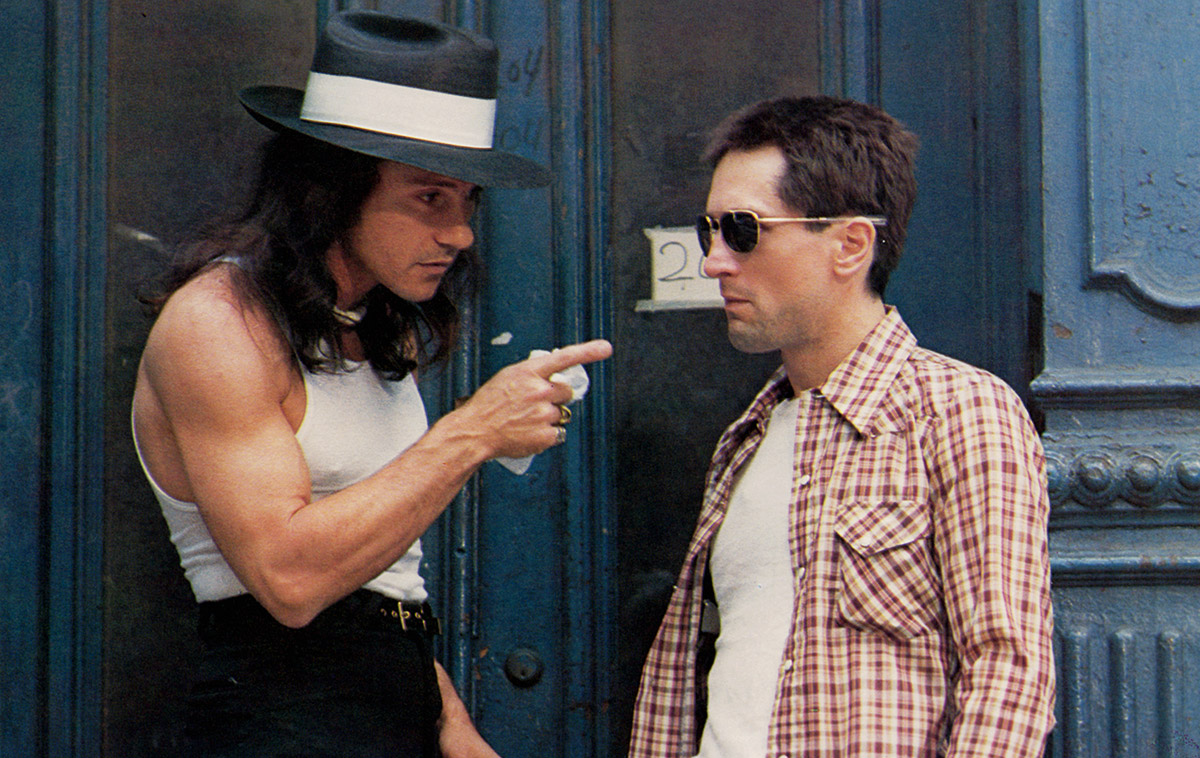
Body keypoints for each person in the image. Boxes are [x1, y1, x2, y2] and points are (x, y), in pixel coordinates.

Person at [131, 11, 611, 757]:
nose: (460, 233)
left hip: (390, 703)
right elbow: (289, 581)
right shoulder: (219, 323)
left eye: (468, 201)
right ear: (333, 188)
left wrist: (447, 718)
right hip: (284, 714)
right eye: (430, 198)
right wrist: (472, 432)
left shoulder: (363, 322)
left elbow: (378, 582)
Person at [626, 95, 1055, 757]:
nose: (714, 261)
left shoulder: (959, 412)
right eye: (707, 230)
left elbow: (1008, 676)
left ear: (851, 245)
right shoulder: (745, 440)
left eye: (742, 230)